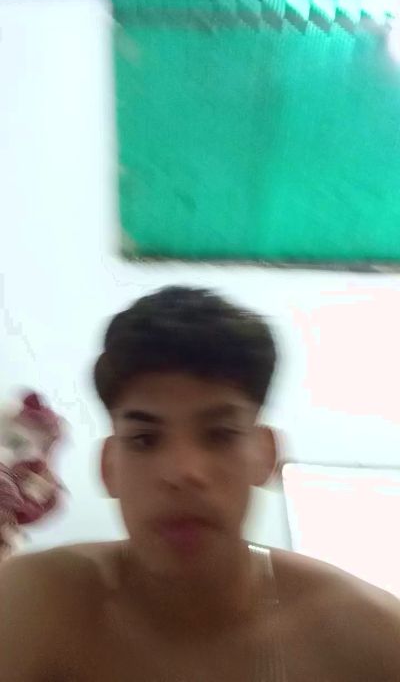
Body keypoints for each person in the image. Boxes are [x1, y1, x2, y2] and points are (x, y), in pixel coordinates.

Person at [0, 286, 399, 682]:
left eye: (220, 435)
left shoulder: (369, 640)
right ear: (108, 467)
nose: (182, 471)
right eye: (144, 439)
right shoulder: (32, 606)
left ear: (265, 455)